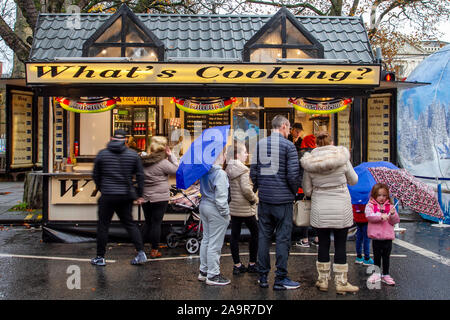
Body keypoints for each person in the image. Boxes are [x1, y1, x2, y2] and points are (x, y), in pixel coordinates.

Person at [301, 131, 359, 294]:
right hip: (341, 205)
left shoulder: (309, 162)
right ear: (331, 142)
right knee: (340, 244)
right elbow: (354, 180)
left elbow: (307, 190)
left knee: (323, 244)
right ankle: (341, 283)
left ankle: (323, 280)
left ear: (317, 144)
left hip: (320, 206)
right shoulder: (342, 158)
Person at [250, 115, 301, 290]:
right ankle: (280, 278)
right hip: (283, 200)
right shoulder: (289, 146)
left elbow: (254, 171)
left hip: (265, 200)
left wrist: (259, 187)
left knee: (263, 237)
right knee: (282, 238)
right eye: (289, 128)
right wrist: (293, 192)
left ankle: (263, 276)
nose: (289, 131)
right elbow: (293, 175)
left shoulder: (260, 144)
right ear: (284, 126)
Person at [91, 129, 147, 266]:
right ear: (126, 140)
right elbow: (140, 175)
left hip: (108, 195)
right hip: (125, 195)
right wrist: (139, 194)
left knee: (103, 226)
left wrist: (102, 186)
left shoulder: (102, 154)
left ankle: (100, 257)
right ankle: (140, 253)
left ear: (111, 138)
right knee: (130, 224)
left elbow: (95, 174)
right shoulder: (133, 155)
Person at [139, 136, 179, 258]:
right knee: (156, 223)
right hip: (160, 198)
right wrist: (171, 155)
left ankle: (139, 247)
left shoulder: (142, 161)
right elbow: (177, 170)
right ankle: (154, 250)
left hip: (146, 196)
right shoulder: (163, 163)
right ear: (163, 149)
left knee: (148, 222)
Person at [197, 148, 231, 286]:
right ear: (219, 156)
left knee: (206, 239)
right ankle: (213, 274)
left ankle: (203, 271)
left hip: (204, 205)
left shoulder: (204, 171)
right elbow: (221, 198)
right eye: (223, 154)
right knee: (215, 244)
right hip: (215, 209)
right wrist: (226, 214)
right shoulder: (220, 174)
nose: (224, 157)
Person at [224, 142, 259, 275]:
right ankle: (252, 263)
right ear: (237, 154)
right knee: (256, 233)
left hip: (234, 207)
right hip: (245, 207)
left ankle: (237, 265)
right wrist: (254, 199)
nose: (247, 154)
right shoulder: (243, 169)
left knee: (234, 235)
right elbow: (246, 189)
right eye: (244, 152)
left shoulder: (228, 168)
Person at [365, 183, 400, 286]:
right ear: (374, 195)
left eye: (384, 195)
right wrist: (380, 216)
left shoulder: (390, 206)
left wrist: (392, 214)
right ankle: (376, 273)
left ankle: (386, 274)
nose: (382, 198)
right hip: (376, 237)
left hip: (387, 237)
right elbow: (369, 215)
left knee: (386, 256)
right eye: (379, 195)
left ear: (387, 196)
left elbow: (395, 221)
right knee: (376, 256)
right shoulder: (370, 205)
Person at [295, 134, 319, 248]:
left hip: (302, 189)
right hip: (316, 189)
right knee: (315, 213)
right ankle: (317, 237)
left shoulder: (300, 155)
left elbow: (296, 173)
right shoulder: (318, 156)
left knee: (304, 212)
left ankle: (304, 239)